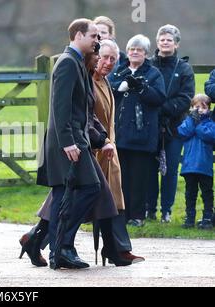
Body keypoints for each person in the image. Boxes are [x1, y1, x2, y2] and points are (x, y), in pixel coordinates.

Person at [37, 19, 123, 270]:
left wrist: (100, 139)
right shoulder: (66, 63)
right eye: (94, 36)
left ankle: (60, 250)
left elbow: (83, 111)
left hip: (77, 141)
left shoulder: (79, 64)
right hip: (68, 144)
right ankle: (61, 247)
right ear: (78, 36)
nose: (97, 41)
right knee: (89, 188)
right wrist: (68, 143)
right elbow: (60, 109)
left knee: (69, 195)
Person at [92, 39, 144, 263]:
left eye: (114, 59)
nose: (109, 62)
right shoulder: (87, 81)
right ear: (96, 57)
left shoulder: (105, 82)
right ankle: (38, 238)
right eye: (105, 57)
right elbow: (86, 117)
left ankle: (117, 248)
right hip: (92, 151)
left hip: (109, 152)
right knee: (70, 203)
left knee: (113, 200)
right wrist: (102, 140)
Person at [108, 34, 166, 227]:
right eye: (132, 49)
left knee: (139, 177)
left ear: (145, 53)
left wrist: (142, 88)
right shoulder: (118, 71)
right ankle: (122, 213)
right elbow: (107, 91)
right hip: (121, 132)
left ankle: (137, 216)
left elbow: (159, 98)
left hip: (143, 133)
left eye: (139, 50)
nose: (134, 52)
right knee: (121, 176)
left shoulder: (153, 73)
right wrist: (121, 87)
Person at [146, 25, 195, 223]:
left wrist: (163, 107)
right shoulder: (147, 65)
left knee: (171, 170)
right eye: (162, 39)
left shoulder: (184, 68)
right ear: (157, 42)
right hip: (150, 127)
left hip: (175, 126)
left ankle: (166, 211)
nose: (165, 42)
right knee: (149, 169)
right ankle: (150, 209)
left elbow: (186, 97)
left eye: (169, 39)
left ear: (176, 44)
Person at [178, 94, 214, 230]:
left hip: (204, 166)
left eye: (203, 108)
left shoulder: (210, 123)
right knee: (190, 193)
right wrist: (193, 121)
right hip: (189, 166)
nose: (199, 110)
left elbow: (209, 135)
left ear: (208, 110)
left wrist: (198, 123)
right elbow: (183, 132)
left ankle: (207, 218)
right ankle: (189, 217)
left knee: (207, 193)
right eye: (196, 107)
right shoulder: (188, 121)